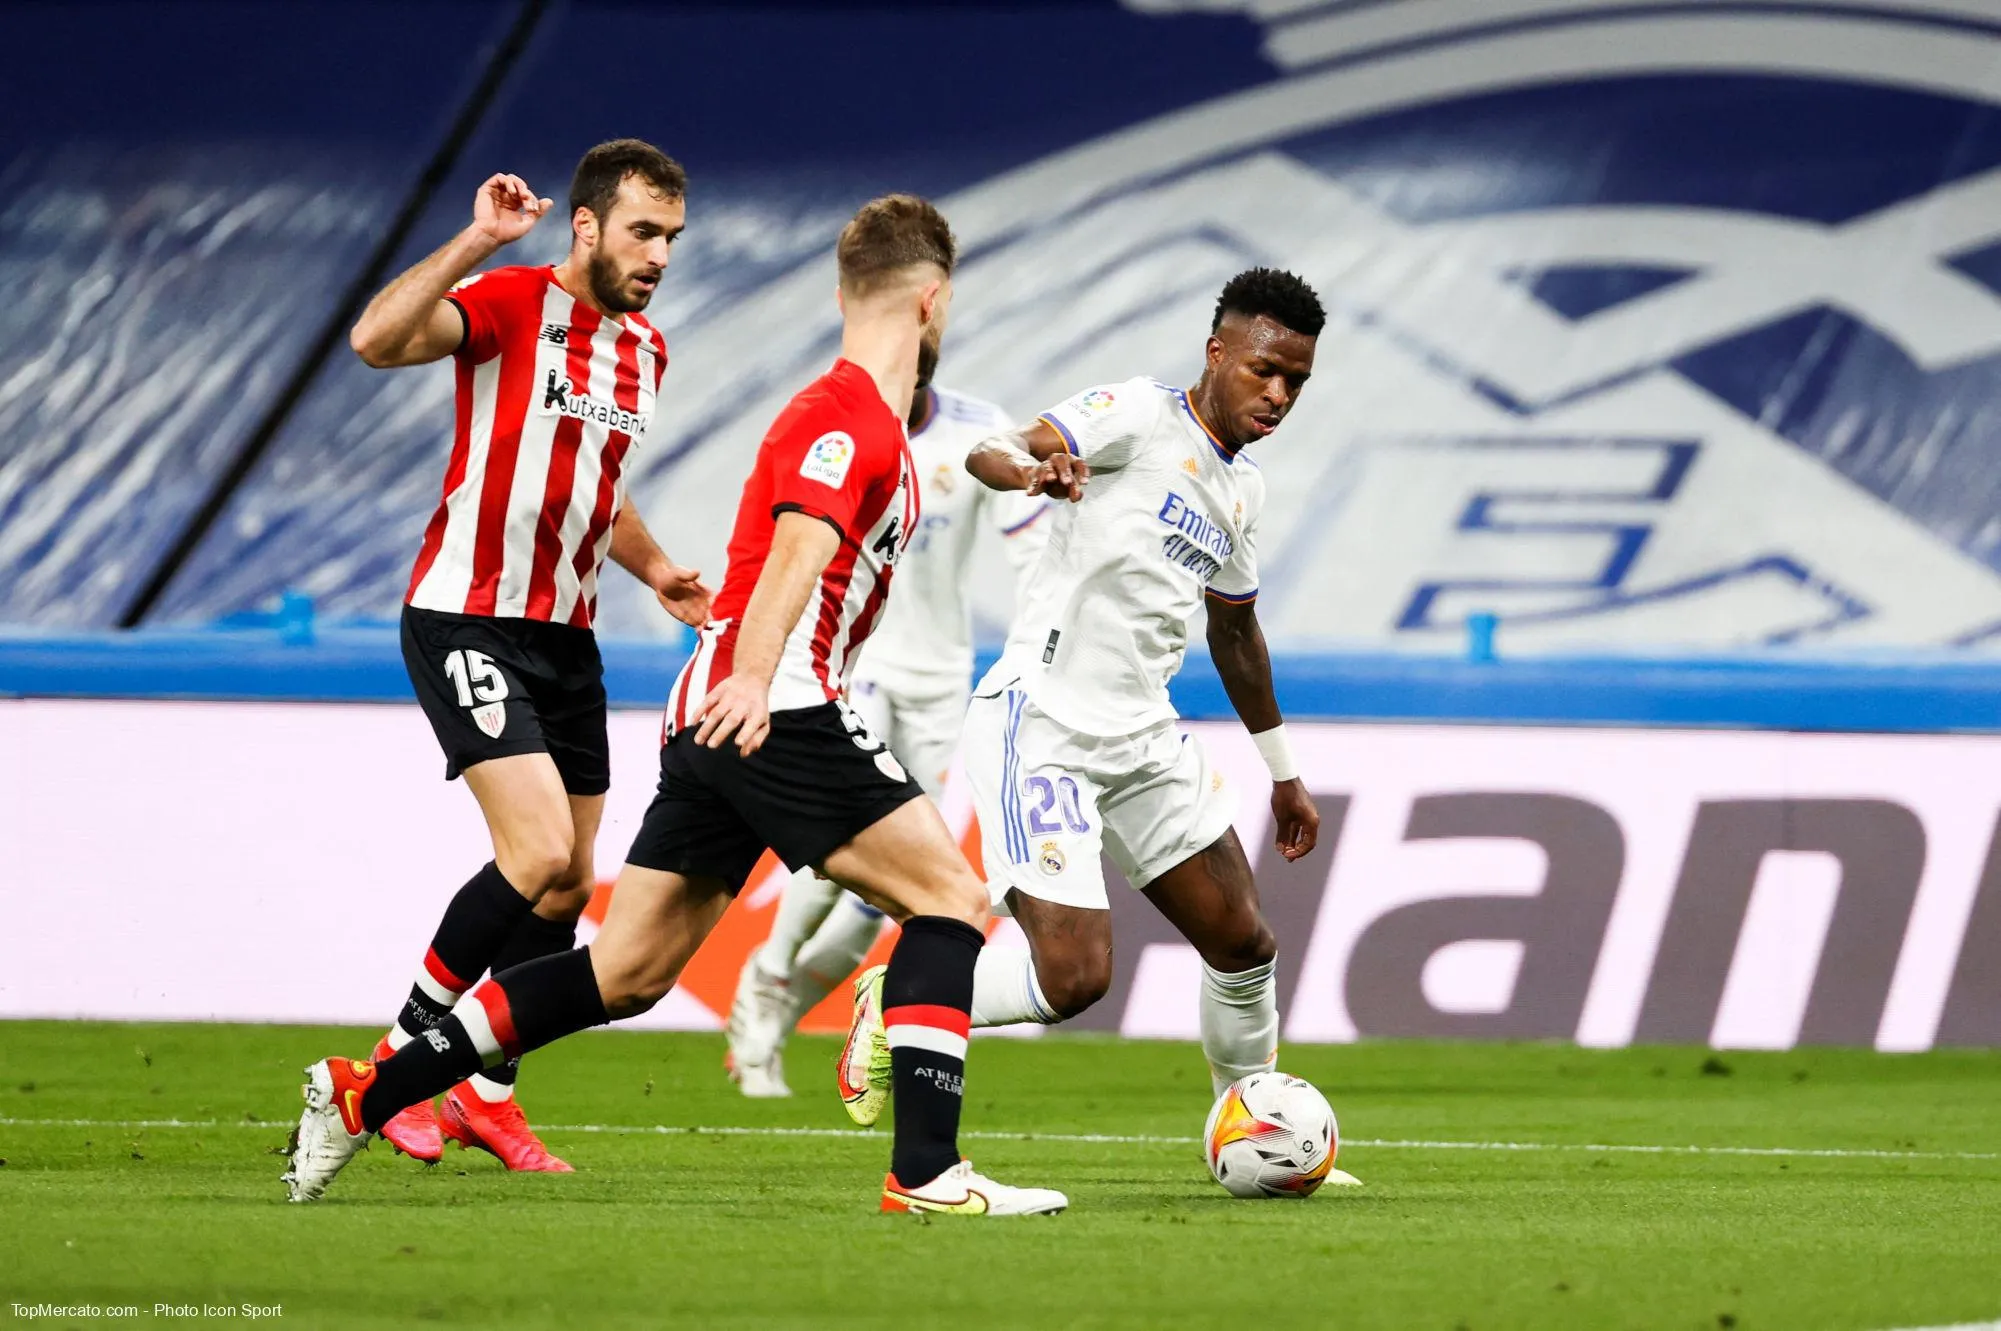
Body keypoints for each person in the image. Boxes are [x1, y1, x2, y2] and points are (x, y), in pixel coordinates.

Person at [286, 193, 1068, 1217]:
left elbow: (941, 450)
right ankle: (927, 1172)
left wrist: (1011, 464)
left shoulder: (861, 414)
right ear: (936, 301)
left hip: (721, 706)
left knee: (624, 972)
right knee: (952, 901)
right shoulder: (844, 417)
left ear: (846, 293)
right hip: (772, 701)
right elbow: (801, 546)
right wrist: (754, 673)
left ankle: (362, 1093)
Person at [839, 268, 1326, 1116]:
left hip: (1143, 736)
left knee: (1243, 942)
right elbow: (992, 451)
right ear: (1216, 353)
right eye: (1263, 370)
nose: (1278, 394)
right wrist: (1034, 472)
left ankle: (1256, 1122)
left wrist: (1281, 770)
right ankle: (893, 996)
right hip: (1044, 726)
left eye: (1296, 381)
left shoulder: (1240, 488)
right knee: (1073, 978)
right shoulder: (1139, 414)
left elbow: (1235, 631)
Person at [340, 139, 710, 1173]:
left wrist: (659, 571)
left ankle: (486, 1095)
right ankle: (398, 1059)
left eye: (673, 237)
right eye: (644, 231)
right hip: (466, 616)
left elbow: (598, 481)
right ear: (585, 224)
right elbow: (374, 339)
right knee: (539, 849)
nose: (660, 256)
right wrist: (477, 238)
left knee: (566, 884)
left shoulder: (647, 350)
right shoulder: (507, 302)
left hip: (567, 635)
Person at [724, 376, 1050, 1097]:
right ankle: (768, 983)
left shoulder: (979, 426)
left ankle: (772, 999)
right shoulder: (836, 428)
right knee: (846, 855)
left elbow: (1031, 553)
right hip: (853, 668)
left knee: (887, 899)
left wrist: (1041, 642)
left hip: (941, 680)